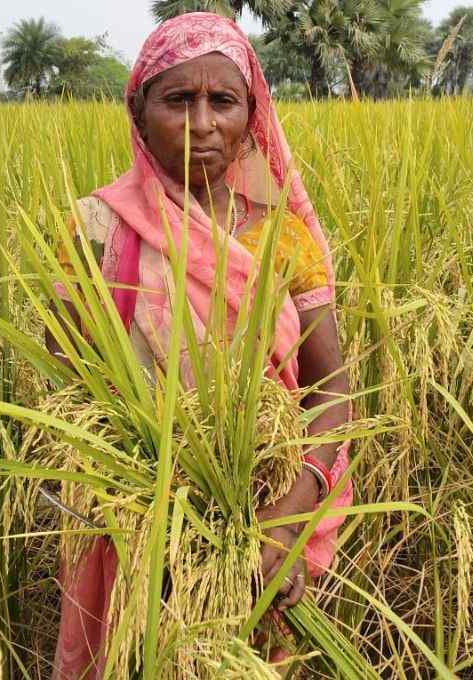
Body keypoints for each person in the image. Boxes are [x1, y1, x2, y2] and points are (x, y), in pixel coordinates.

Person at [47, 12, 352, 679]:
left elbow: (333, 391)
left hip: (261, 511)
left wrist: (286, 521)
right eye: (178, 100)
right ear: (139, 109)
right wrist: (137, 503)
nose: (203, 123)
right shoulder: (98, 228)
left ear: (253, 112)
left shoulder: (284, 238)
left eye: (223, 101)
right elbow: (69, 385)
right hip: (132, 520)